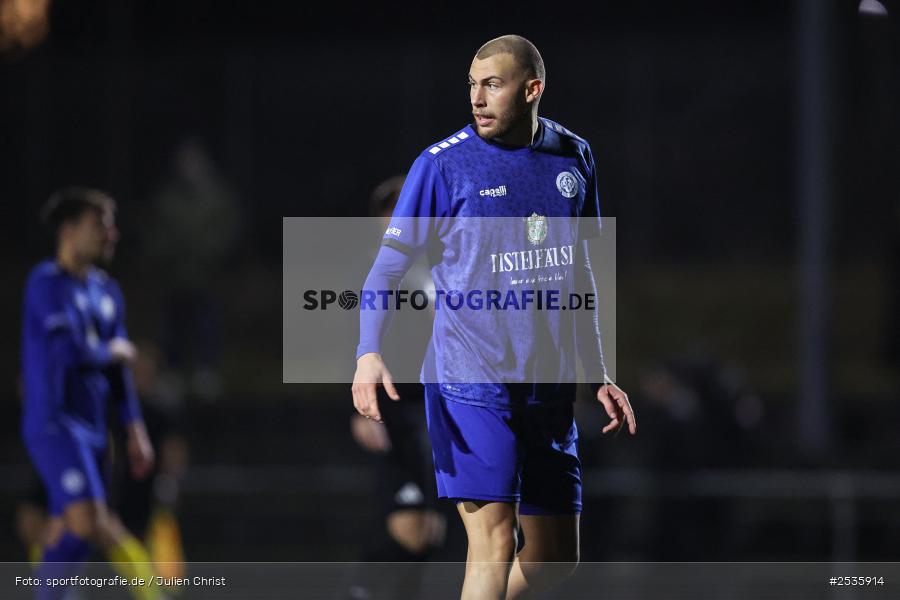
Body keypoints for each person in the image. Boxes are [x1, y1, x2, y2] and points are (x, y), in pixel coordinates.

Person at [352, 35, 637, 599]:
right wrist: (367, 352)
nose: (478, 99)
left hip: (548, 386)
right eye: (472, 86)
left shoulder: (573, 157)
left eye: (493, 85)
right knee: (494, 540)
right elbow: (386, 269)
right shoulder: (440, 166)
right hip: (469, 379)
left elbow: (580, 272)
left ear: (533, 90)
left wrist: (597, 370)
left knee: (557, 559)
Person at [21, 187, 162, 600]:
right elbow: (66, 351)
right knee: (88, 520)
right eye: (100, 224)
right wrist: (110, 349)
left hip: (97, 429)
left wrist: (134, 428)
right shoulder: (46, 284)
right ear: (68, 230)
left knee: (75, 529)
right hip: (55, 422)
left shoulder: (107, 292)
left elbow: (118, 374)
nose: (111, 233)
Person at [347, 176, 447, 599]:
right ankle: (359, 589)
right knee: (405, 523)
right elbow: (348, 345)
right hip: (389, 410)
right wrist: (354, 410)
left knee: (429, 528)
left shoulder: (435, 271)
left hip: (433, 413)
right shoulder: (371, 274)